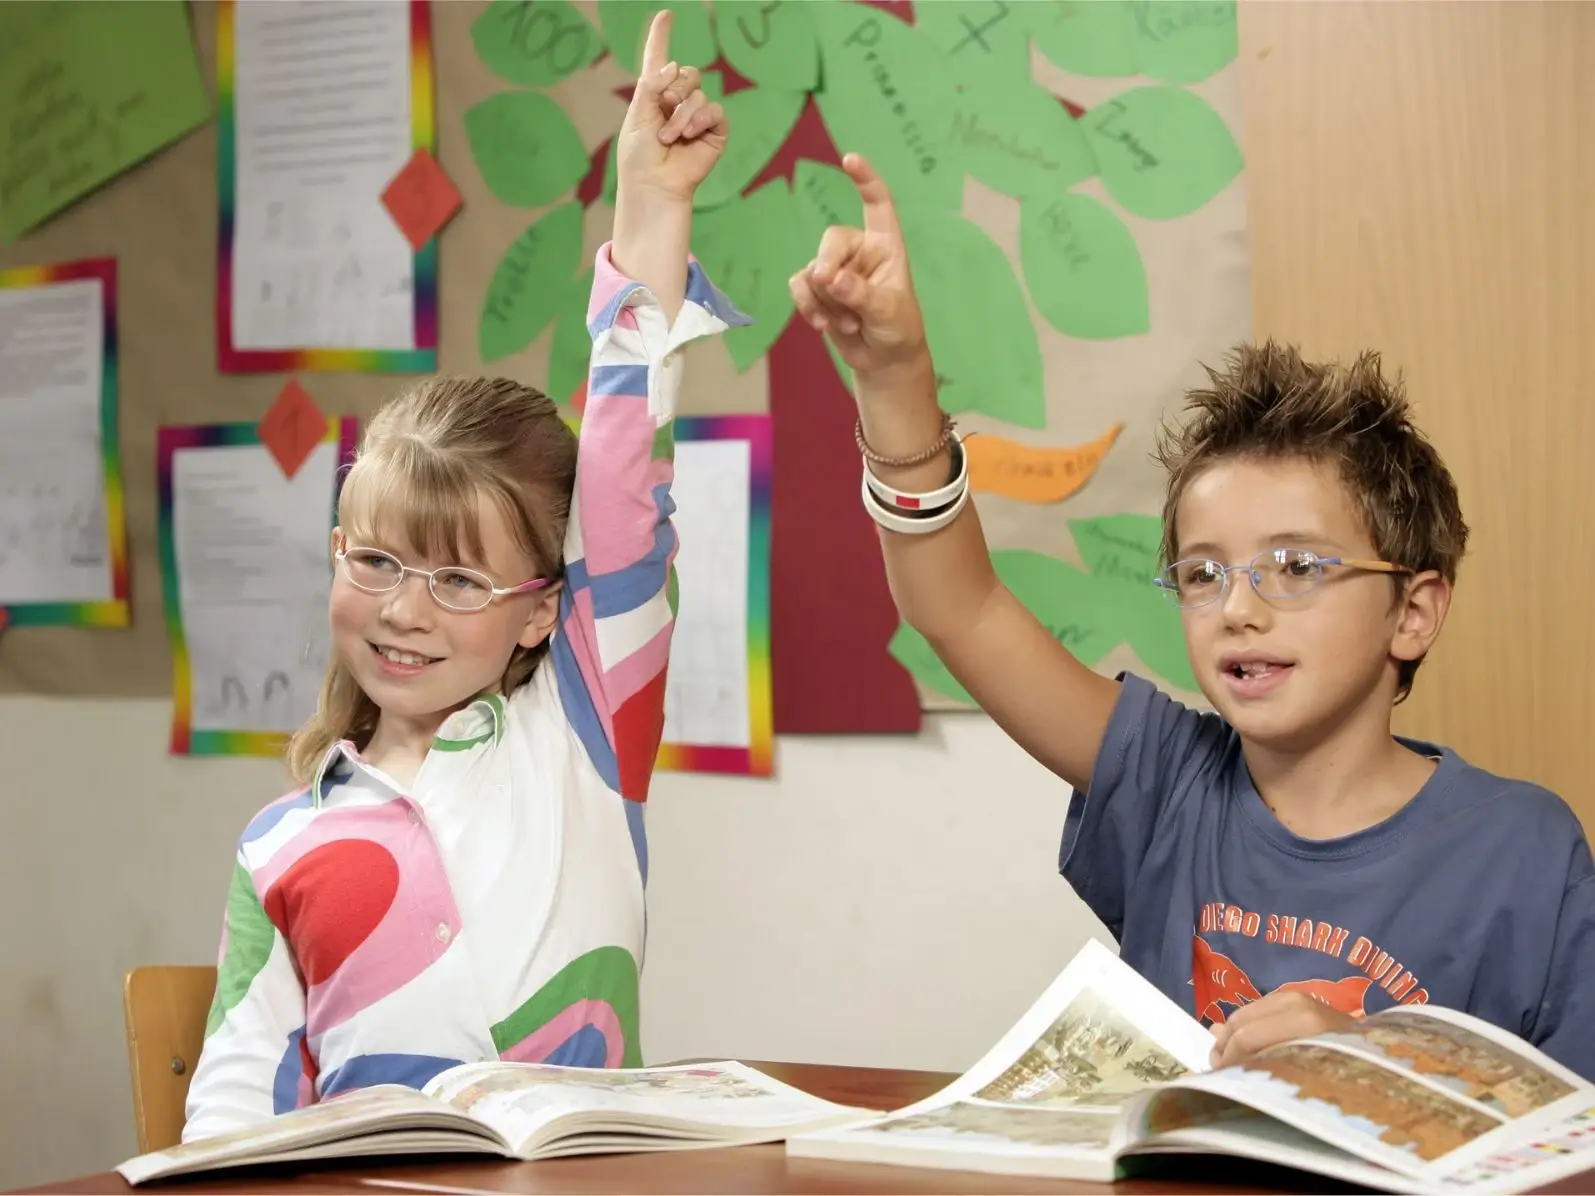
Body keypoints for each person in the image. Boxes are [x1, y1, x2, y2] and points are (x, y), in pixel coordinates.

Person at [790, 154, 1595, 1078]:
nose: (1237, 609)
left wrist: (1373, 1067)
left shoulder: (1522, 849)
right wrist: (894, 375)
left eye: (1295, 567)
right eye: (1204, 574)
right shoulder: (1165, 781)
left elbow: (1566, 1126)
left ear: (1412, 612)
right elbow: (959, 607)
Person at [183, 12, 743, 1140]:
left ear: (543, 614)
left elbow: (623, 478)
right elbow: (235, 1103)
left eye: (457, 581)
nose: (402, 609)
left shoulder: (586, 724)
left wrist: (650, 201)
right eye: (376, 560)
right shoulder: (278, 845)